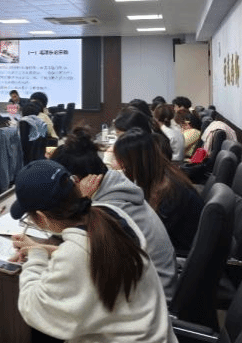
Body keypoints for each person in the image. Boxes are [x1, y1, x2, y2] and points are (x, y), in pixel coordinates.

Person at [9, 160, 176, 343]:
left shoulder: (76, 255)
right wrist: (48, 250)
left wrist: (36, 258)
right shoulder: (110, 214)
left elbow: (33, 307)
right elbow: (93, 256)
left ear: (41, 218)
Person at [51, 126, 178, 300]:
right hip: (150, 284)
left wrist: (81, 201)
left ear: (76, 180)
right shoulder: (113, 182)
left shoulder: (109, 209)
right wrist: (42, 249)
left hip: (152, 299)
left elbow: (83, 257)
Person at [113, 128, 203, 253]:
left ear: (134, 162)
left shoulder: (169, 191)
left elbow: (149, 236)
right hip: (177, 245)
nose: (122, 167)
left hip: (179, 252)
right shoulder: (163, 173)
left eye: (123, 163)